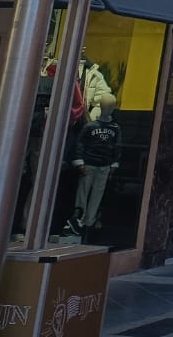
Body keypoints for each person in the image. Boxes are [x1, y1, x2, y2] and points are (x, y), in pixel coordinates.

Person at [67, 92, 121, 240]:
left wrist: (113, 165)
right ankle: (79, 218)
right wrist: (80, 161)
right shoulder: (91, 126)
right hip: (90, 164)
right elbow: (81, 144)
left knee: (97, 193)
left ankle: (88, 221)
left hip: (103, 166)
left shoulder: (114, 128)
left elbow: (117, 147)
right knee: (83, 191)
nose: (107, 109)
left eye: (109, 106)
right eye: (105, 106)